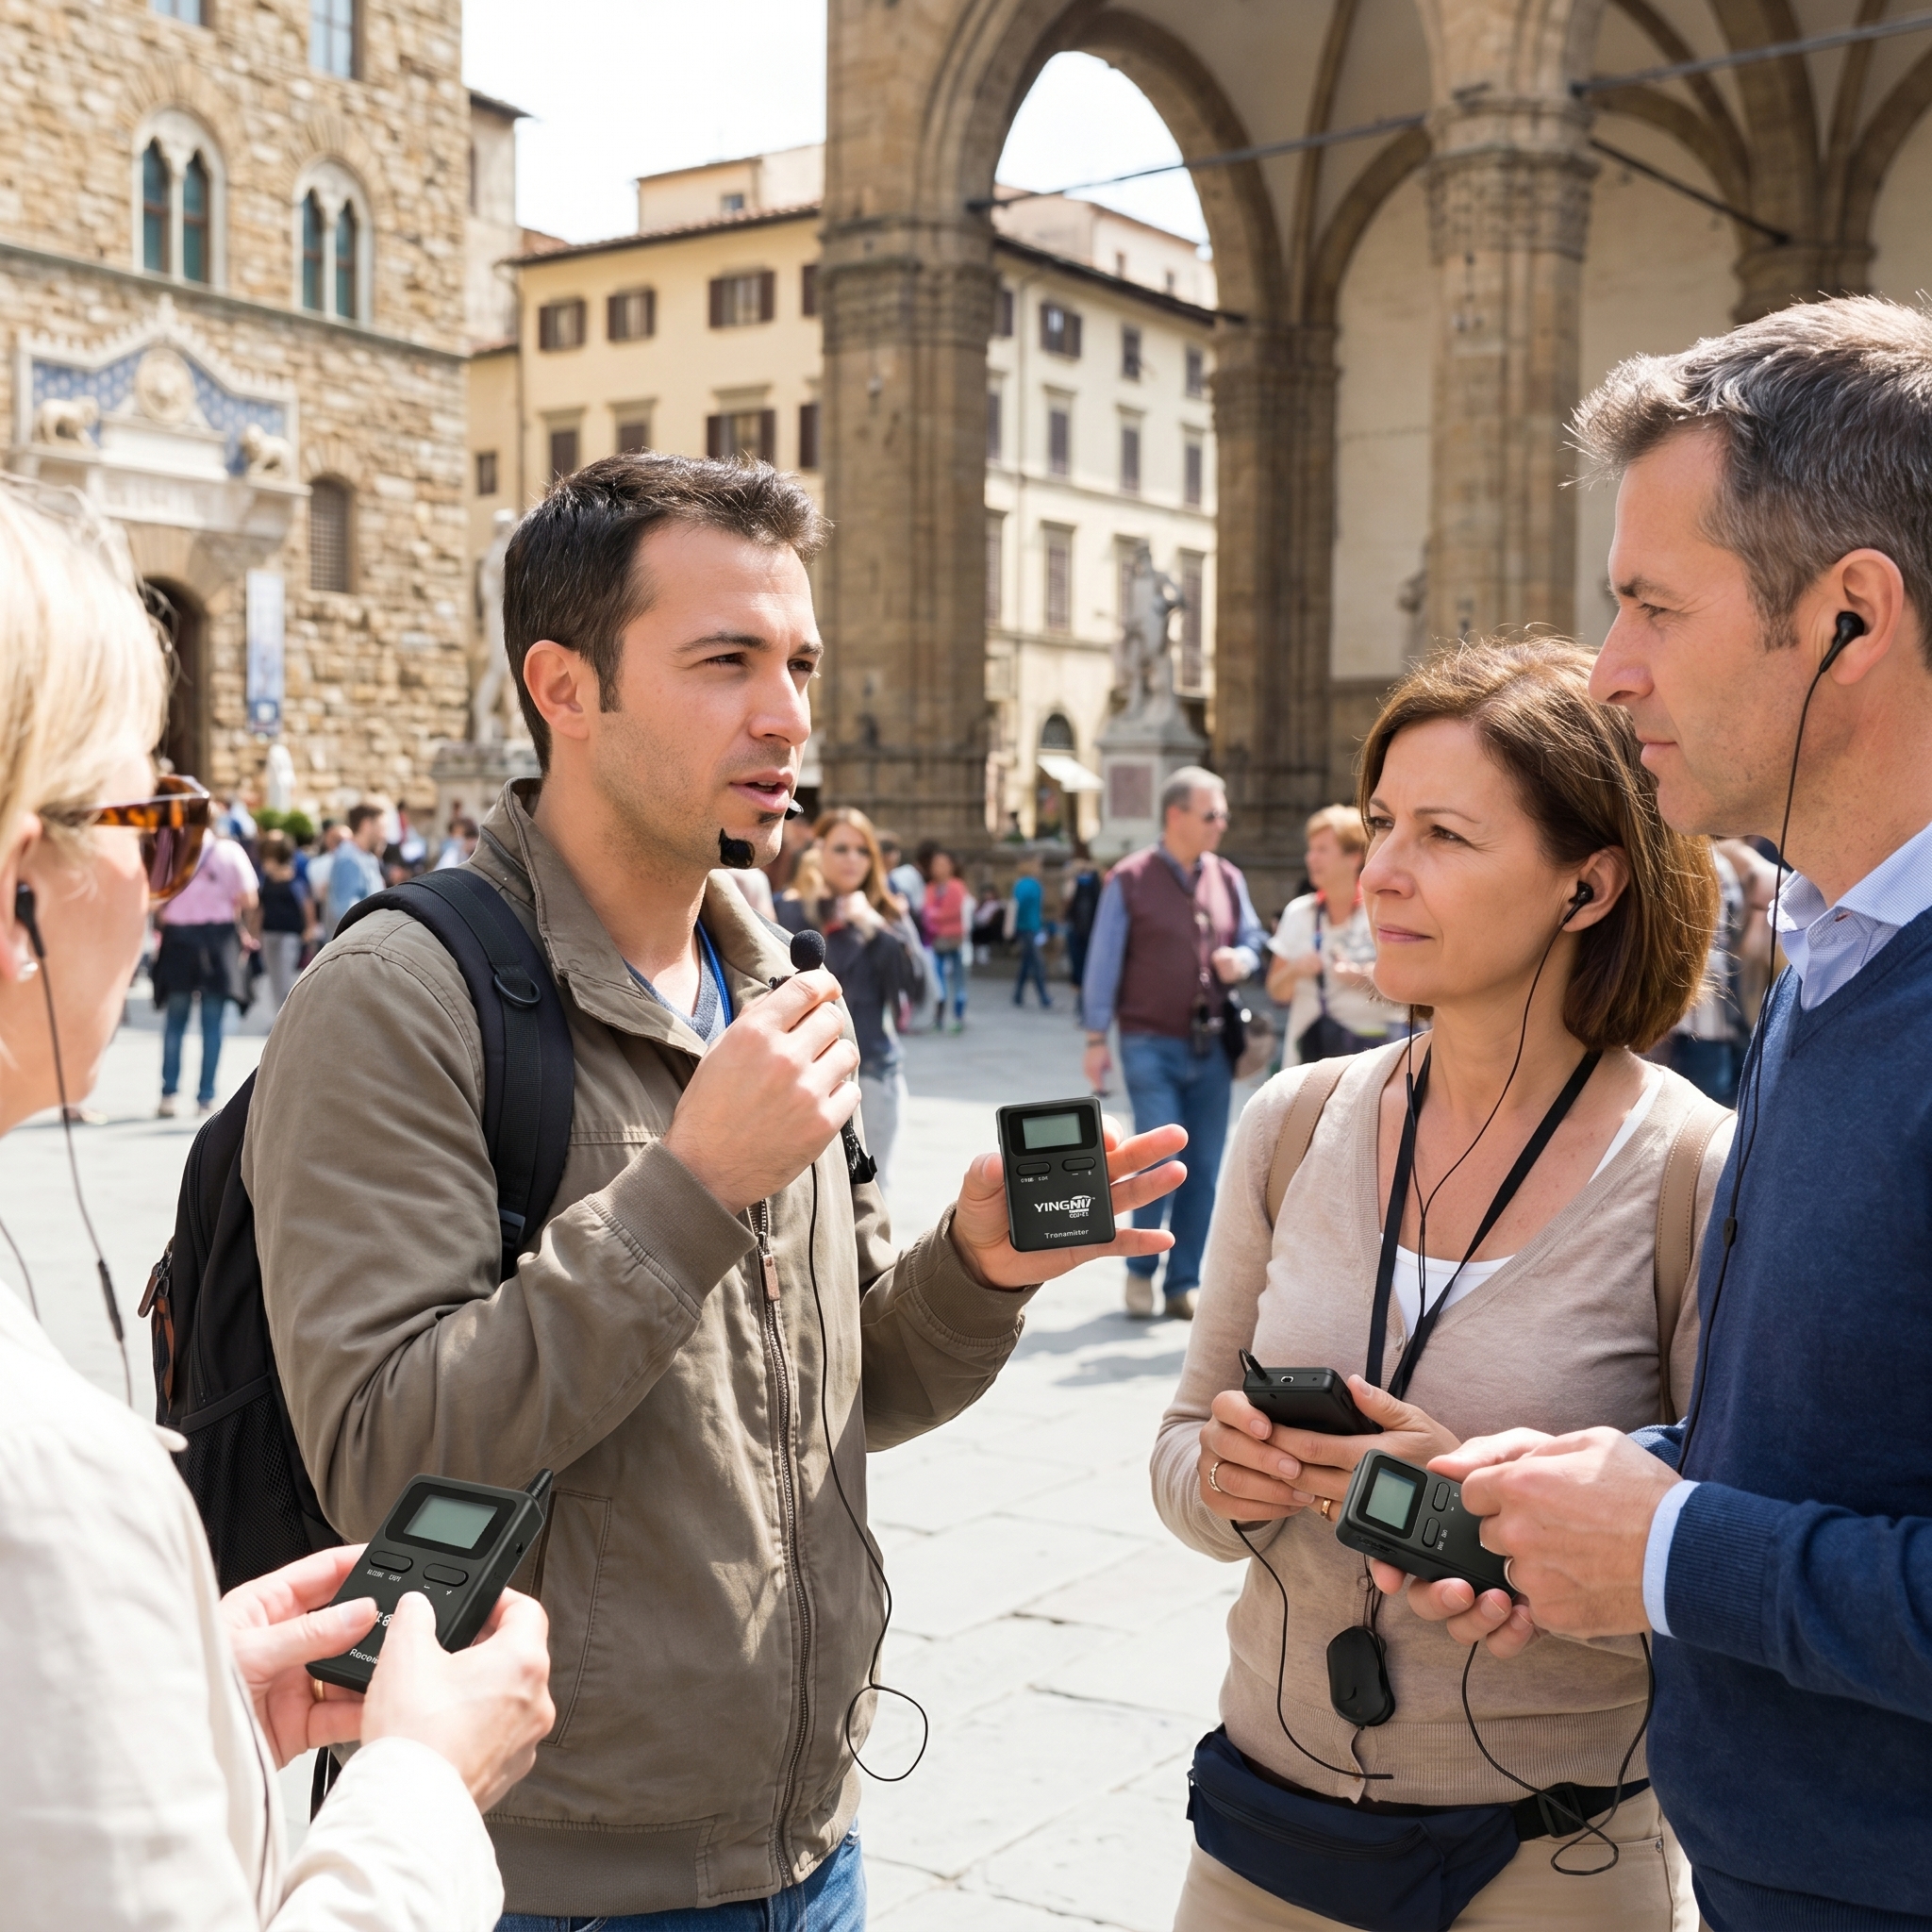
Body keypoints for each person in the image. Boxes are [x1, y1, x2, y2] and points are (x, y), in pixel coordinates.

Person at [242, 452, 1188, 1928]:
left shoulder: (778, 978)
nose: (790, 714)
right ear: (565, 687)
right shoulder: (392, 999)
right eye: (726, 660)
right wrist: (691, 1186)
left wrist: (978, 1266)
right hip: (550, 1878)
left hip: (815, 1843)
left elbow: (857, 1385)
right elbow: (388, 1455)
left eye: (800, 660)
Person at [1381, 298, 1932, 1931]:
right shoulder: (1831, 955)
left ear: (1849, 614)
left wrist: (1671, 1550)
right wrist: (1601, 1493)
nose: (1608, 670)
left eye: (1646, 604)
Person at [0, 481, 555, 1930]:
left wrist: (181, 1708)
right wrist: (426, 1781)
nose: (169, 872)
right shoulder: (49, 1489)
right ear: (21, 886)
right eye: (157, 817)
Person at [1154, 640, 1729, 1932]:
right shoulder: (1295, 1121)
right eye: (1379, 825)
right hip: (1265, 1838)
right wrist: (1227, 1482)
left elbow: (1722, 1574)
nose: (1383, 874)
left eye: (1446, 836)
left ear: (1588, 885)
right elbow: (1181, 1459)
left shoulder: (1696, 1168)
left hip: (1552, 1861)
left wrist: (1472, 1514)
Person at [1082, 765, 1267, 1320]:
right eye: (1212, 814)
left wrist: (1246, 958)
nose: (1222, 824)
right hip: (1148, 1042)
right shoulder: (1131, 878)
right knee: (1162, 1158)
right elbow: (1104, 961)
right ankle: (1141, 1270)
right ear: (1176, 815)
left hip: (1211, 1046)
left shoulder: (1228, 877)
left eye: (1224, 814)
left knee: (1206, 1167)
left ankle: (1182, 1281)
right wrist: (1096, 1038)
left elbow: (1255, 936)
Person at [776, 807, 926, 1189]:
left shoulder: (887, 914)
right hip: (801, 1071)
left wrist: (873, 926)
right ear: (819, 850)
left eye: (862, 850)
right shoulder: (790, 911)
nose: (852, 859)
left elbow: (919, 989)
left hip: (873, 1069)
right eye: (841, 848)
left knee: (870, 1188)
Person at [1266, 805, 1401, 1063]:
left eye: (1322, 850)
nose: (1311, 858)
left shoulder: (1385, 911)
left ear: (1354, 857)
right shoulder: (1299, 913)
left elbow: (1416, 990)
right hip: (1311, 1061)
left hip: (1378, 1058)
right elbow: (1276, 992)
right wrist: (1296, 969)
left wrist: (1362, 976)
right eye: (1310, 849)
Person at [152, 823, 258, 1117]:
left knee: (175, 1020)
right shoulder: (228, 851)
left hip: (178, 940)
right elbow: (250, 898)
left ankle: (168, 1096)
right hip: (218, 940)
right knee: (213, 1023)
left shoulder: (169, 852)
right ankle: (205, 1098)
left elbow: (154, 901)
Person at [257, 828, 316, 1011]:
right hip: (269, 932)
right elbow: (260, 908)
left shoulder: (295, 878)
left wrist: (309, 928)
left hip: (290, 934)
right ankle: (278, 1016)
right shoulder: (265, 880)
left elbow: (307, 904)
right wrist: (255, 932)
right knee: (274, 978)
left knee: (285, 977)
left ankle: (286, 1016)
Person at [923, 846, 970, 1032]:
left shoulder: (957, 886)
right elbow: (925, 911)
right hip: (936, 941)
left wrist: (935, 915)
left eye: (943, 864)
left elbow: (953, 911)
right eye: (936, 864)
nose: (939, 868)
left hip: (955, 940)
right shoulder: (930, 888)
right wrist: (936, 915)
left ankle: (958, 1017)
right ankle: (939, 1018)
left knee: (959, 981)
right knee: (937, 981)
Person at [325, 801, 386, 936]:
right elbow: (346, 914)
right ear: (366, 825)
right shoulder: (349, 860)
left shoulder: (368, 858)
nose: (384, 834)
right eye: (381, 827)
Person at [1008, 851, 1052, 1008]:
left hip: (1029, 927)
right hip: (1029, 927)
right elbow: (1023, 906)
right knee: (1037, 963)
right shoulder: (1030, 884)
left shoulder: (1021, 883)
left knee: (1027, 963)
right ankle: (1043, 996)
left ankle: (1018, 994)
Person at [1063, 852, 1103, 989]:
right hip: (1090, 928)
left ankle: (1079, 986)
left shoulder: (1074, 882)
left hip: (1076, 928)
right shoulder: (1096, 883)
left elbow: (1067, 903)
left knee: (1077, 961)